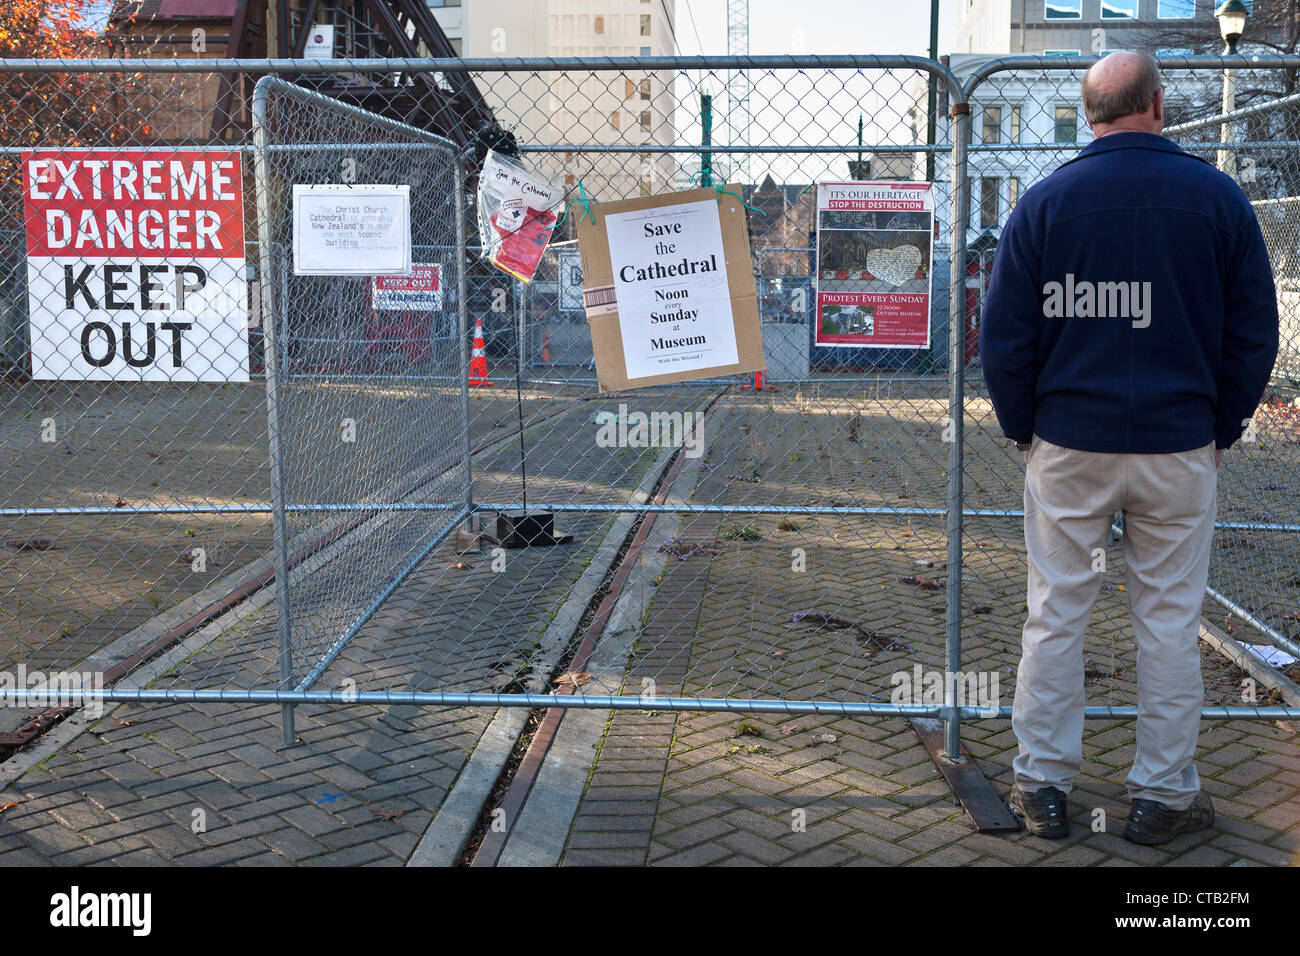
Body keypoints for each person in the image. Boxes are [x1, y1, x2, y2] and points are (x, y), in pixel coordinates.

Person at [979, 51, 1279, 844]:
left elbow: (1005, 338)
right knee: (1170, 621)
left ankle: (1042, 787)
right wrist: (1223, 426)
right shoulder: (1219, 201)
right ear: (1158, 103)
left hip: (1070, 441)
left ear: (1089, 114)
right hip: (1178, 445)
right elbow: (1254, 334)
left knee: (1055, 613)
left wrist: (1024, 430)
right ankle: (1162, 797)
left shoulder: (1044, 205)